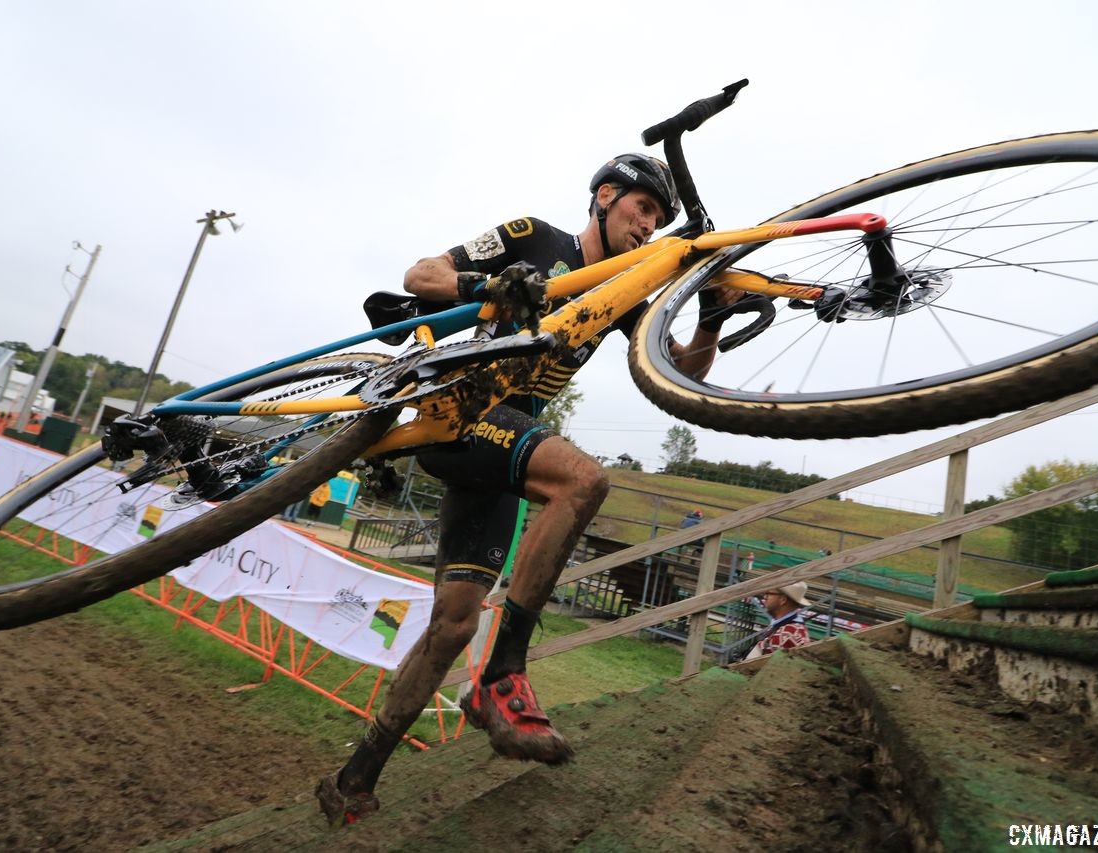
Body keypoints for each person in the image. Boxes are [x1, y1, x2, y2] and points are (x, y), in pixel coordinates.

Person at [315, 154, 747, 825]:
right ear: (606, 197)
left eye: (660, 219)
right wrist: (493, 282)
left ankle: (355, 775)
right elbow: (419, 275)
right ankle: (502, 675)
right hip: (460, 411)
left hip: (500, 452)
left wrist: (711, 320)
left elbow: (680, 370)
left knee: (454, 622)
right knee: (583, 481)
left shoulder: (624, 286)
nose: (648, 226)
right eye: (642, 210)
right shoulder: (535, 236)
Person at [742, 581, 812, 662]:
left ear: (783, 600)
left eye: (769, 593)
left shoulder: (788, 634)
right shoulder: (791, 628)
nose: (765, 597)